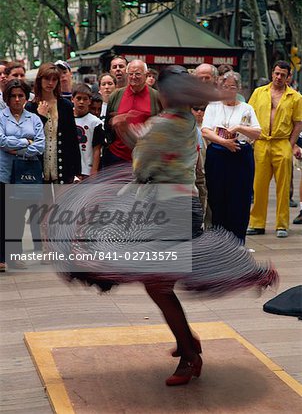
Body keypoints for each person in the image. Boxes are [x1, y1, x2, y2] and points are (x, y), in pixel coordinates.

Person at [50, 66, 277, 387]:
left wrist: (125, 131)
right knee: (161, 283)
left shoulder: (165, 124)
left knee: (158, 284)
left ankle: (190, 353)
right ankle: (189, 342)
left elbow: (142, 164)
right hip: (178, 205)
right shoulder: (183, 122)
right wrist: (130, 132)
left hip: (165, 210)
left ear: (167, 95)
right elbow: (146, 150)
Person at [202, 71, 261, 242]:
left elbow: (257, 132)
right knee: (217, 197)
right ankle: (220, 241)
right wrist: (223, 141)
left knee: (240, 199)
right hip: (218, 155)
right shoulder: (213, 106)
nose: (228, 91)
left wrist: (238, 128)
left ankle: (237, 241)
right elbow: (205, 130)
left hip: (241, 155)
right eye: (225, 87)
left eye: (232, 87)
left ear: (239, 89)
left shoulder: (246, 108)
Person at [247, 61, 302, 238]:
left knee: (283, 185)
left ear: (288, 77)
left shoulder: (295, 97)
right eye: (276, 73)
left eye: (283, 75)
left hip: (282, 142)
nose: (279, 77)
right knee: (259, 184)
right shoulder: (259, 93)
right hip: (262, 142)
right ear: (272, 73)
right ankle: (257, 223)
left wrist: (291, 144)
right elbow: (248, 115)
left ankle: (281, 224)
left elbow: (298, 122)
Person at [0, 79, 45, 271]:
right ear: (7, 98)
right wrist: (26, 142)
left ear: (26, 98)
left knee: (18, 217)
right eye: (13, 96)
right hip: (4, 172)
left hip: (25, 173)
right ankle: (1, 257)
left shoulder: (33, 119)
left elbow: (40, 145)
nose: (17, 100)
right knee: (3, 216)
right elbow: (1, 141)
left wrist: (19, 148)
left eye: (21, 96)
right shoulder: (1, 117)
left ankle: (14, 256)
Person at [26, 63, 81, 185]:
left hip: (63, 166)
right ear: (39, 80)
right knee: (41, 204)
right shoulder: (31, 107)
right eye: (47, 79)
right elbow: (29, 138)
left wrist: (77, 171)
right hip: (38, 166)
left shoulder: (65, 105)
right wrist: (40, 117)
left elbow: (72, 139)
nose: (50, 83)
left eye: (54, 79)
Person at [103, 59, 161, 166]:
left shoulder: (156, 97)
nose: (133, 77)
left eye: (138, 74)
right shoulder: (116, 96)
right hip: (118, 156)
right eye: (131, 74)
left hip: (145, 158)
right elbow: (108, 125)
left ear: (146, 75)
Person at [72, 83, 102, 179]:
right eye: (78, 98)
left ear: (89, 101)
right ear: (72, 99)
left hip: (87, 169)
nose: (81, 102)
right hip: (70, 168)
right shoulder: (66, 118)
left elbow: (97, 148)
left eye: (85, 99)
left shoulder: (95, 122)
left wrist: (94, 170)